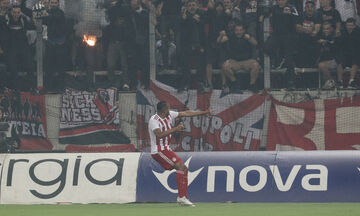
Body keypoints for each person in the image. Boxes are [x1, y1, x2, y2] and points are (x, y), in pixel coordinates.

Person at [148, 101, 211, 207]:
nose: (170, 110)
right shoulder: (154, 120)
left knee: (183, 168)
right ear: (164, 110)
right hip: (159, 151)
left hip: (165, 150)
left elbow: (186, 113)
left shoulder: (169, 115)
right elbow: (159, 135)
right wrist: (176, 129)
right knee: (182, 168)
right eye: (168, 108)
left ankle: (182, 197)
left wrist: (203, 113)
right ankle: (182, 197)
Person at [219, 22, 260, 93]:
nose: (239, 32)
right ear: (234, 31)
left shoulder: (247, 35)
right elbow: (219, 42)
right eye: (237, 30)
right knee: (224, 66)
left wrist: (249, 38)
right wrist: (220, 35)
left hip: (247, 61)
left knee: (256, 65)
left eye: (240, 30)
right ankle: (234, 82)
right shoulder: (231, 35)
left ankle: (252, 85)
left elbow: (255, 43)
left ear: (243, 30)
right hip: (235, 61)